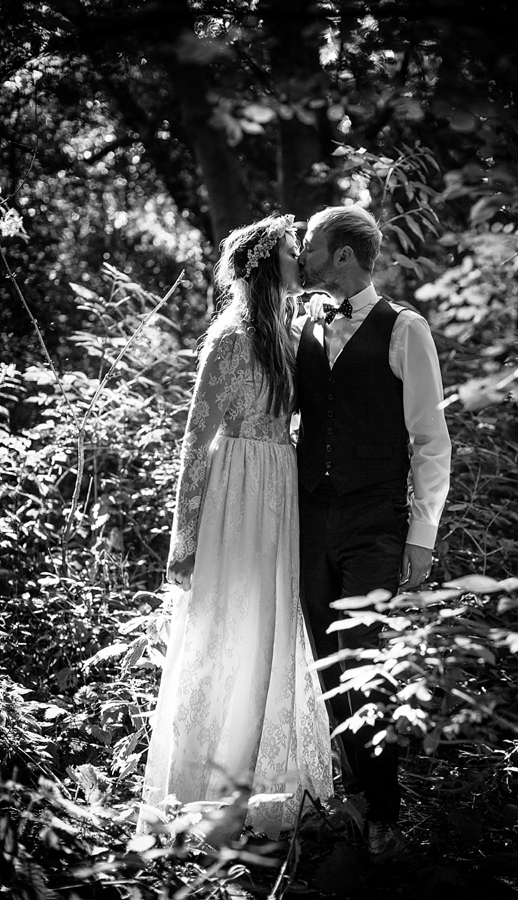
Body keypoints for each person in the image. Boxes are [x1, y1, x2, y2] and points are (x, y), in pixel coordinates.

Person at [140, 214, 332, 841]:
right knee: (228, 627)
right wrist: (185, 536)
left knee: (272, 626)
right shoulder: (228, 337)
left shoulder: (289, 331)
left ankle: (261, 786)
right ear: (262, 266)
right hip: (234, 492)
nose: (298, 261)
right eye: (287, 253)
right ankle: (204, 791)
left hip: (280, 484)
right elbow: (197, 439)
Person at [293, 205, 451, 854]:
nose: (300, 255)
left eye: (309, 245)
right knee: (326, 670)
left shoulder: (404, 329)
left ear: (342, 257)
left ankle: (384, 813)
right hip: (310, 519)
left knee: (365, 664)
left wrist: (421, 537)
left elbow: (431, 440)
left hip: (375, 525)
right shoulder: (300, 324)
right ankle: (348, 804)